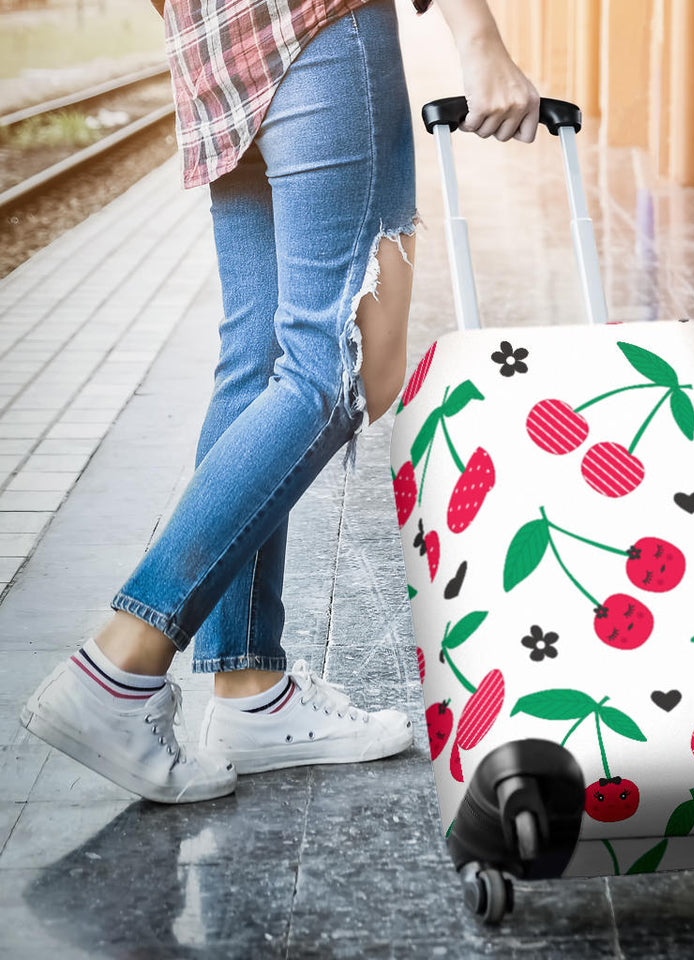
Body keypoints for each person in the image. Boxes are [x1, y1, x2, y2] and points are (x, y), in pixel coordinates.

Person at [20, 0, 540, 803]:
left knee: (258, 361)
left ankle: (248, 690)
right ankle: (120, 665)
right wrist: (480, 40)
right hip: (320, 26)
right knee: (337, 367)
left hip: (214, 47)